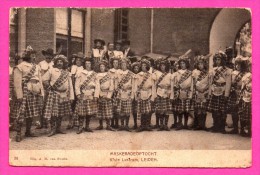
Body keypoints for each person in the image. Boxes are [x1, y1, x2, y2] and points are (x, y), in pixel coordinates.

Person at [13, 46, 44, 142]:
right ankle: (18, 133)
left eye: (35, 56)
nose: (34, 57)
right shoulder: (20, 66)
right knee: (22, 113)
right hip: (25, 90)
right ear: (27, 56)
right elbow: (17, 83)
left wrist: (41, 93)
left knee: (31, 113)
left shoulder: (37, 67)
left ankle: (28, 131)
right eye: (32, 56)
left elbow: (40, 81)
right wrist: (19, 95)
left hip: (34, 92)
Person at [42, 55, 74, 137]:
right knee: (53, 113)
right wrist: (49, 87)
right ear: (56, 63)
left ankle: (58, 128)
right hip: (54, 93)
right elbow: (44, 79)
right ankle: (53, 129)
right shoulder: (51, 70)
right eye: (58, 62)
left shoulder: (67, 73)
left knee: (61, 113)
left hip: (64, 94)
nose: (60, 63)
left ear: (64, 63)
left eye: (61, 62)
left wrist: (71, 97)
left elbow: (70, 85)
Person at [207, 51, 232, 133]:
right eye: (216, 59)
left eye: (219, 59)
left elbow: (228, 83)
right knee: (214, 110)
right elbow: (210, 82)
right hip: (214, 90)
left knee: (222, 110)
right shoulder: (212, 70)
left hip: (223, 90)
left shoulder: (227, 70)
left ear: (223, 60)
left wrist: (226, 94)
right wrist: (210, 92)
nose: (218, 61)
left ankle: (222, 127)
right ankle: (215, 126)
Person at [74, 57, 99, 134]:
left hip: (91, 94)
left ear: (92, 64)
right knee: (81, 112)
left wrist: (96, 95)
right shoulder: (80, 73)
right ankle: (80, 127)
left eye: (89, 64)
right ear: (84, 65)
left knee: (89, 112)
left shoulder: (94, 74)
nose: (88, 65)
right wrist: (78, 94)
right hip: (83, 94)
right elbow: (77, 85)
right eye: (86, 64)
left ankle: (87, 126)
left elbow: (97, 85)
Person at [226, 56, 248, 134]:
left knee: (242, 112)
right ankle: (235, 128)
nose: (237, 66)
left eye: (239, 65)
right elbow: (230, 83)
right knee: (234, 111)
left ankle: (242, 129)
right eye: (236, 64)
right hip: (234, 94)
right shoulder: (233, 73)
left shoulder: (246, 74)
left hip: (242, 94)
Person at [114, 58, 135, 131]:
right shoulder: (118, 73)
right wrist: (118, 90)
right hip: (121, 93)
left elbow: (133, 85)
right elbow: (116, 83)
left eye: (125, 64)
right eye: (122, 64)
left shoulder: (131, 74)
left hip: (128, 93)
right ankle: (122, 125)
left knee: (127, 111)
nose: (123, 65)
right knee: (121, 110)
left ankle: (126, 125)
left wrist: (132, 94)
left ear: (127, 65)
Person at [135, 59, 156, 132]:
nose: (143, 67)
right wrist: (136, 95)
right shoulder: (138, 75)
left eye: (145, 65)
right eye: (142, 65)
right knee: (141, 111)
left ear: (147, 66)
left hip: (148, 93)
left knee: (148, 111)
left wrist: (153, 96)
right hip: (141, 93)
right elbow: (136, 86)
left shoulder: (151, 75)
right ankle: (142, 125)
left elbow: (153, 86)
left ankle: (147, 125)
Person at [174, 53, 194, 130]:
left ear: (187, 64)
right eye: (181, 63)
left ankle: (186, 124)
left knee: (186, 110)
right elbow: (176, 83)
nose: (182, 65)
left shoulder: (190, 73)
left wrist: (191, 93)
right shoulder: (177, 73)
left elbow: (192, 84)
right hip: (180, 92)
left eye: (184, 63)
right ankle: (180, 123)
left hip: (187, 92)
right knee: (180, 110)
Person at [37, 48, 55, 129]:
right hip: (42, 87)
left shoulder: (53, 64)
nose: (48, 58)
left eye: (50, 57)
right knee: (42, 105)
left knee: (50, 105)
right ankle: (41, 123)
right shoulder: (40, 64)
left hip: (50, 87)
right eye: (47, 56)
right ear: (45, 56)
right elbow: (38, 75)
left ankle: (49, 123)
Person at [192, 55, 210, 130]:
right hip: (198, 91)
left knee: (204, 109)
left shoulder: (208, 73)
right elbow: (193, 83)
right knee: (198, 109)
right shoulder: (195, 72)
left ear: (204, 64)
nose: (200, 66)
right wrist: (197, 89)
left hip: (204, 92)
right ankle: (199, 125)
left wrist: (205, 90)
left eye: (202, 64)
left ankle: (203, 125)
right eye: (199, 64)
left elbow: (209, 83)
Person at [67, 52, 84, 130]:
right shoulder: (71, 67)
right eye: (77, 60)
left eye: (80, 60)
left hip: (79, 89)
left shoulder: (83, 69)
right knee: (71, 106)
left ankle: (77, 122)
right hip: (71, 88)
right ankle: (70, 122)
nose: (78, 61)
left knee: (78, 106)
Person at [96, 60, 115, 131]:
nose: (102, 68)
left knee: (108, 110)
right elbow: (97, 86)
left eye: (103, 66)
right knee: (100, 110)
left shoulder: (109, 75)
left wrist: (109, 95)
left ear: (105, 67)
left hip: (107, 94)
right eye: (100, 66)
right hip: (100, 93)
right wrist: (99, 95)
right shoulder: (97, 75)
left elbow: (111, 86)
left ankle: (108, 125)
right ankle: (100, 125)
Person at [154, 58, 173, 131]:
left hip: (167, 93)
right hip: (159, 92)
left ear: (166, 66)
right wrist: (155, 94)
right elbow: (155, 85)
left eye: (164, 66)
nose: (162, 67)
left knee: (166, 110)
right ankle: (161, 125)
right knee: (160, 109)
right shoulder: (157, 74)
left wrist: (170, 94)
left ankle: (165, 125)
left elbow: (171, 85)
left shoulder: (169, 75)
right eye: (161, 66)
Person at [238, 57, 251, 137]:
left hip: (253, 97)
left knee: (251, 115)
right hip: (245, 96)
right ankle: (243, 129)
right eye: (250, 66)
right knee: (244, 114)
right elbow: (242, 87)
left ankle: (250, 130)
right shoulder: (246, 76)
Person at [109, 57, 120, 129]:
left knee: (118, 107)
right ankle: (112, 122)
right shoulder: (110, 71)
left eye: (117, 63)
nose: (115, 64)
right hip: (112, 91)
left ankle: (117, 122)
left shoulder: (120, 71)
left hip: (119, 91)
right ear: (112, 64)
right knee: (112, 107)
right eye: (114, 63)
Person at [131, 61, 141, 130]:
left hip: (139, 94)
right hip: (132, 94)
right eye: (135, 68)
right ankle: (135, 124)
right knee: (134, 110)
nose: (136, 69)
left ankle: (141, 124)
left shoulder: (141, 75)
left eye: (137, 68)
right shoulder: (131, 75)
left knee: (139, 110)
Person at [170, 61, 180, 129]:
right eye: (175, 66)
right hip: (174, 92)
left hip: (180, 92)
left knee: (179, 108)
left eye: (178, 66)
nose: (177, 67)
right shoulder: (173, 74)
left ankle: (179, 122)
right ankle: (175, 122)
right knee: (174, 109)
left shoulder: (182, 74)